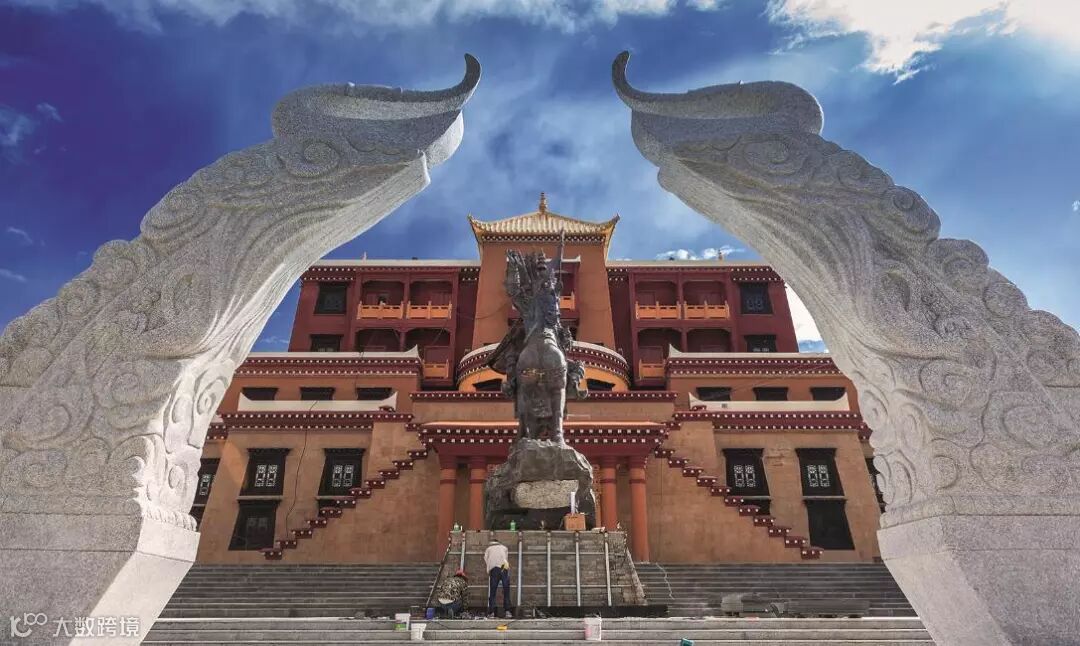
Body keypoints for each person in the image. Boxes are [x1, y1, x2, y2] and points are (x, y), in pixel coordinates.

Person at [484, 538, 512, 618]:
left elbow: (486, 559)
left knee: (493, 591)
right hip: (503, 568)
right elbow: (506, 558)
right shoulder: (504, 548)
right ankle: (508, 612)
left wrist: (490, 569)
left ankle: (492, 612)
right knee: (506, 590)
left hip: (494, 569)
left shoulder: (488, 549)